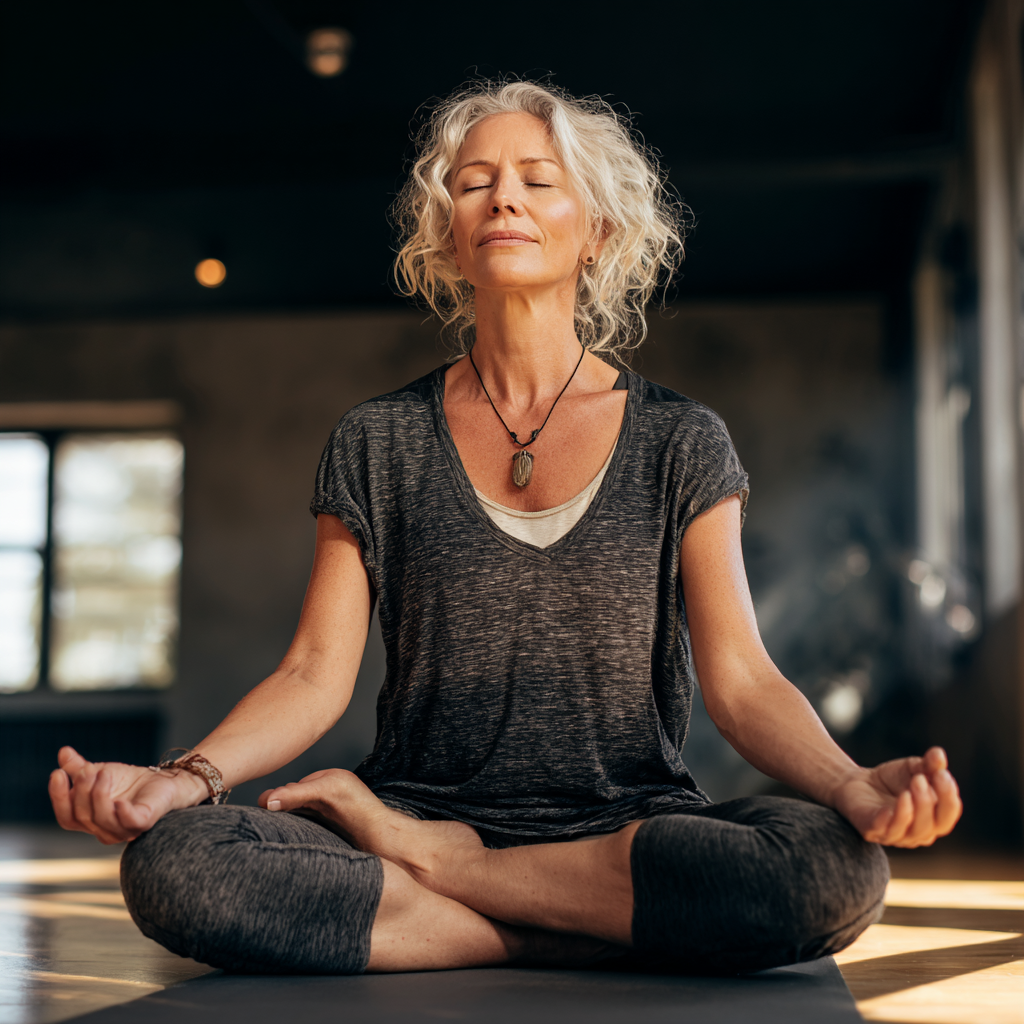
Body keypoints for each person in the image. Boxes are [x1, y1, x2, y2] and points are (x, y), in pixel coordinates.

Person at [48, 81, 961, 977]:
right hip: (412, 809)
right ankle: (568, 927)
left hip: (620, 828)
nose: (503, 198)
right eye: (475, 181)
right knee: (179, 865)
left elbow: (743, 678)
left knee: (830, 868)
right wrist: (183, 779)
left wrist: (849, 786)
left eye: (538, 178)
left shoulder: (681, 439)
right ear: (448, 229)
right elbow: (310, 674)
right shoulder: (379, 439)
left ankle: (461, 884)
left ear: (596, 230)